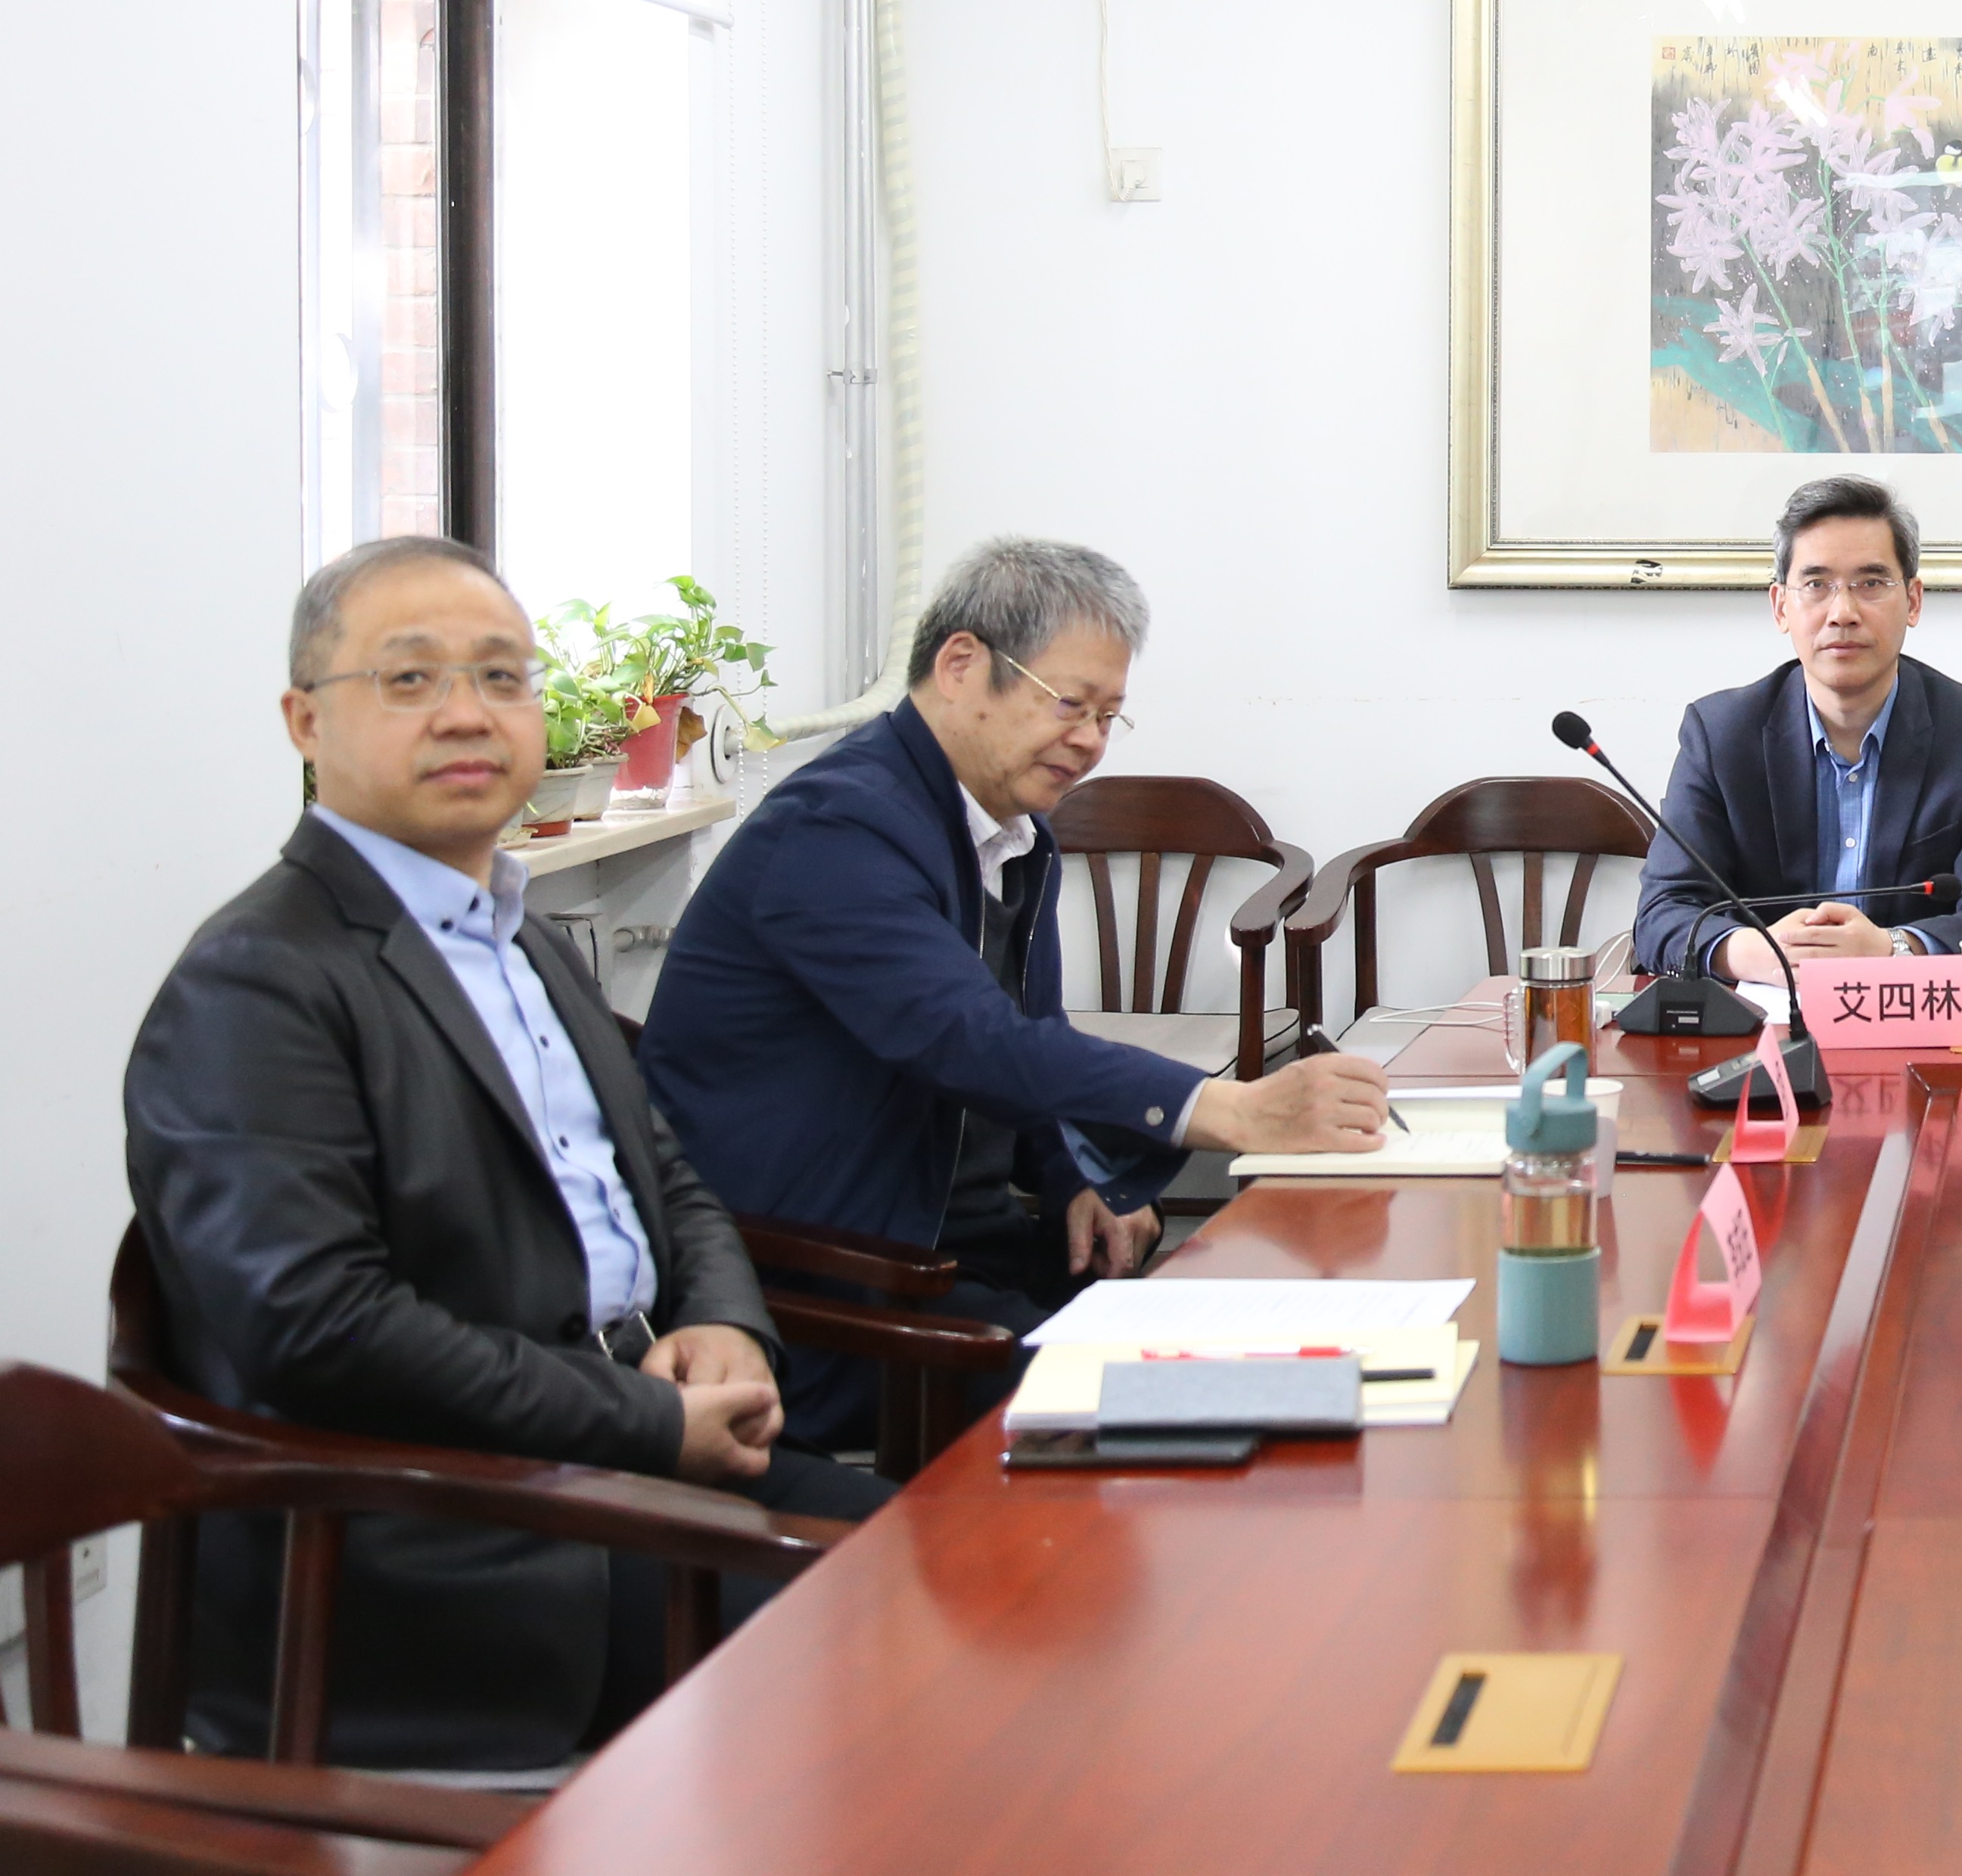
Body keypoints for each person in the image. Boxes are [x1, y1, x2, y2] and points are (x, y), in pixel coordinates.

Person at [124, 536, 888, 1770]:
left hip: (620, 1460)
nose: (467, 712)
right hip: (444, 1542)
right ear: (305, 720)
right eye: (410, 678)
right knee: (901, 1677)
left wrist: (726, 1322)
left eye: (500, 675)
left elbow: (664, 1171)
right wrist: (646, 1420)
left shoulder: (509, 931)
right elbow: (318, 1327)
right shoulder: (257, 982)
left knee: (975, 1571)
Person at [642, 538, 1388, 1447]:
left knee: (1290, 1349)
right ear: (961, 666)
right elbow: (967, 1039)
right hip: (841, 1293)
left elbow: (1028, 1032)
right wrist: (1229, 1109)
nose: (1090, 740)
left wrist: (1076, 1177)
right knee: (1218, 1409)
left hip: (973, 1252)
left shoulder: (1013, 831)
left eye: (1109, 716)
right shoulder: (840, 826)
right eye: (1070, 704)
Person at [1632, 475, 1962, 979]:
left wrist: (1891, 947)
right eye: (1816, 585)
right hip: (1761, 1014)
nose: (1843, 613)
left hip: (1914, 1010)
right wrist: (1759, 952)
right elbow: (1663, 912)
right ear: (1781, 607)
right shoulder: (1720, 735)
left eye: (1871, 584)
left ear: (1913, 601)